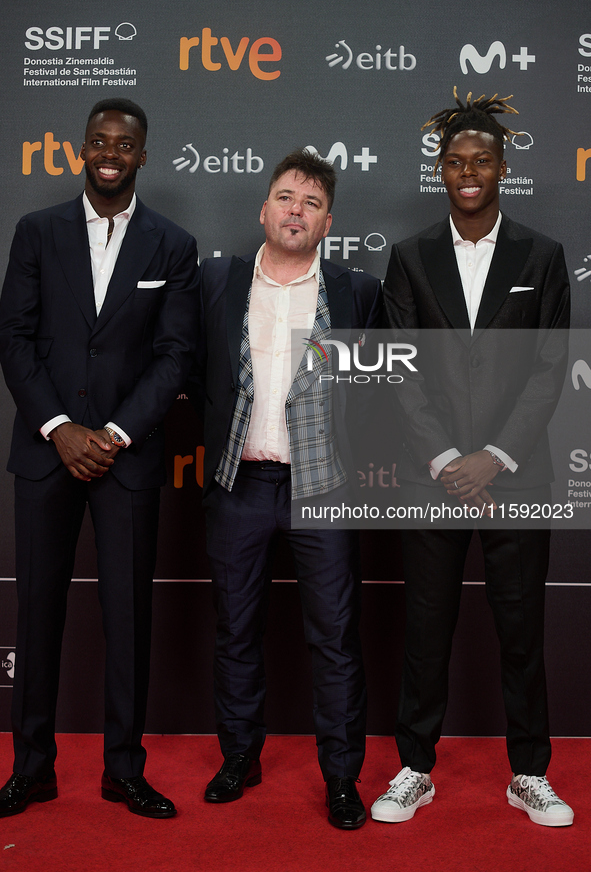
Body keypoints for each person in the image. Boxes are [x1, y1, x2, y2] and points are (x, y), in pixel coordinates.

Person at [372, 90, 573, 827]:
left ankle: (529, 772)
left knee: (520, 629)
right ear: (439, 171)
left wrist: (493, 456)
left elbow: (549, 368)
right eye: (454, 161)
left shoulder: (542, 256)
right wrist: (450, 459)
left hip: (516, 477)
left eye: (479, 161)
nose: (466, 172)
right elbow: (401, 371)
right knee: (426, 627)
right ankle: (414, 768)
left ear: (501, 167)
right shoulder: (408, 257)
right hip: (435, 478)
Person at [0, 98, 199, 818]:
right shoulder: (36, 232)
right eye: (98, 140)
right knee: (37, 611)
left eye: (125, 143)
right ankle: (31, 766)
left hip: (127, 457)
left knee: (127, 614)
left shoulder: (172, 244)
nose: (110, 151)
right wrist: (58, 427)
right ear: (81, 149)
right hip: (47, 449)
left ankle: (124, 768)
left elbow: (176, 354)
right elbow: (14, 338)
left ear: (144, 154)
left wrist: (112, 435)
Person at [191, 148, 382, 829]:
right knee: (235, 630)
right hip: (239, 484)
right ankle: (239, 754)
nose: (294, 210)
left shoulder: (355, 292)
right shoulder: (218, 283)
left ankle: (340, 778)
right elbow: (184, 370)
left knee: (333, 638)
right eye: (284, 197)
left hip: (323, 487)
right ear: (262, 209)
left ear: (327, 220)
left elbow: (382, 388)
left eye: (308, 201)